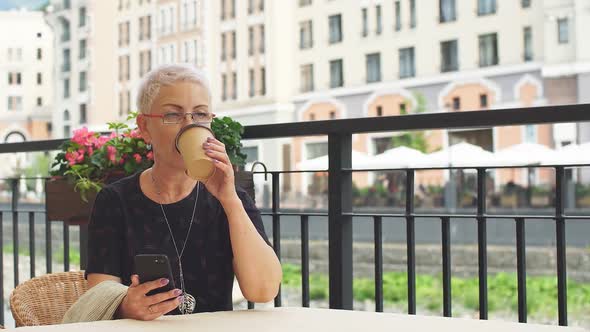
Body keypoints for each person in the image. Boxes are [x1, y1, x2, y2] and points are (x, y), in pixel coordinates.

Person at [84, 64, 282, 321]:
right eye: (173, 115)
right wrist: (125, 307)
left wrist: (230, 200)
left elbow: (263, 290)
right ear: (144, 127)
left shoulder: (230, 199)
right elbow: (98, 295)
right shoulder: (115, 201)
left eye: (200, 115)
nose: (189, 125)